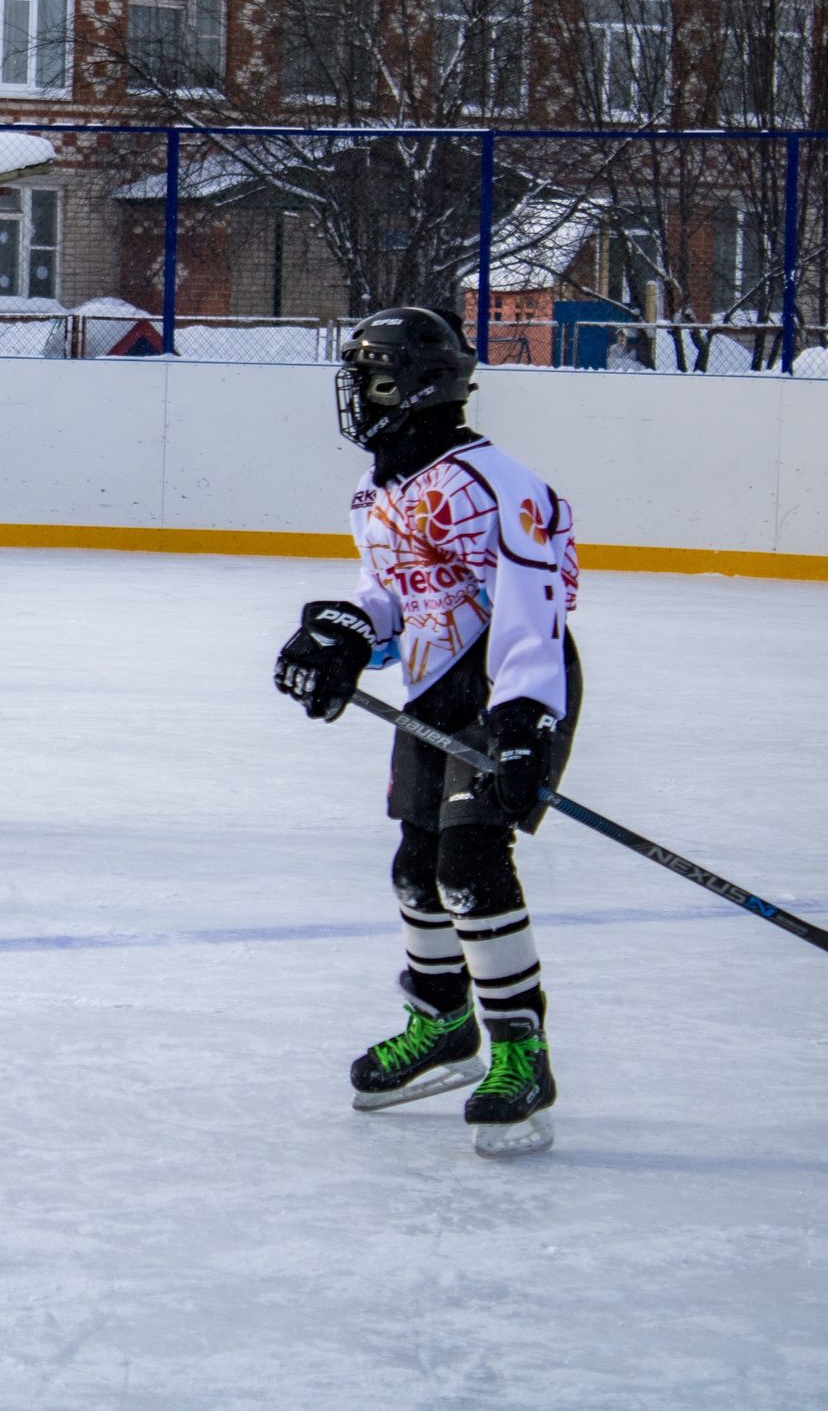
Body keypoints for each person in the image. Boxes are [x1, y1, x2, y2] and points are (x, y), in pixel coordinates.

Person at [272, 306, 580, 1160]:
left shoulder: (496, 481)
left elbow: (532, 606)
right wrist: (341, 638)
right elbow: (391, 595)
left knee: (470, 865)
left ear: (413, 386)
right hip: (434, 688)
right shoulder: (378, 490)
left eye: (370, 379)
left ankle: (521, 1050)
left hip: (511, 687)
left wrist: (522, 721)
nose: (356, 395)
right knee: (416, 866)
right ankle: (443, 1023)